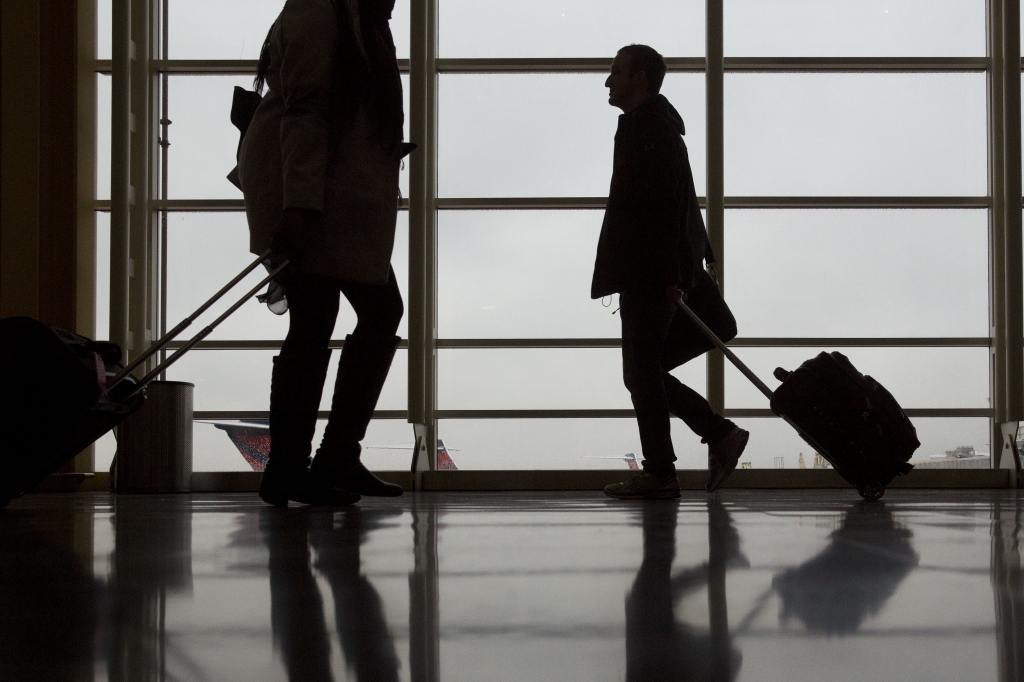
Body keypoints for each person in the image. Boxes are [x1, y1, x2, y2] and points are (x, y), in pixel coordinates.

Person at [238, 0, 411, 506]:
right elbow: (306, 108)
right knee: (356, 314)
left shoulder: (350, 16)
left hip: (324, 189)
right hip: (310, 191)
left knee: (322, 320)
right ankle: (314, 461)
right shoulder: (324, 10)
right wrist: (299, 204)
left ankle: (304, 463)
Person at [594, 44, 749, 500]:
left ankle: (667, 469)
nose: (608, 81)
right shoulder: (660, 129)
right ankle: (706, 441)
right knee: (645, 373)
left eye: (616, 72)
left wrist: (665, 276)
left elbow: (658, 210)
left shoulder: (645, 131)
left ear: (640, 78)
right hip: (657, 273)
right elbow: (681, 206)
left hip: (650, 277)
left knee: (642, 373)